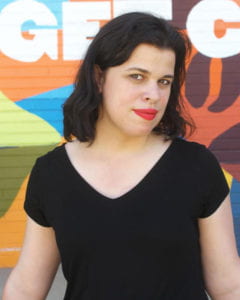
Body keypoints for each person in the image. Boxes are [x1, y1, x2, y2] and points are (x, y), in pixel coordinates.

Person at [3, 12, 240, 300]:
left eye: (164, 81)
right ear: (99, 77)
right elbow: (27, 287)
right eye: (137, 76)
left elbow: (229, 285)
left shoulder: (197, 167)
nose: (153, 94)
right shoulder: (52, 174)